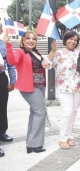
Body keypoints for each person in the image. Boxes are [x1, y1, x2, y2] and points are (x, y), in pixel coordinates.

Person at [5, 32, 48, 154]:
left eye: (34, 38)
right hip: (29, 87)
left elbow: (42, 65)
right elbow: (12, 61)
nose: (31, 40)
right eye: (28, 38)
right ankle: (34, 144)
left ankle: (31, 143)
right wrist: (8, 44)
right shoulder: (20, 51)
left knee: (35, 113)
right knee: (40, 112)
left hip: (40, 85)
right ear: (23, 40)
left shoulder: (37, 52)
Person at [44, 31, 80, 149]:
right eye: (70, 39)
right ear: (65, 40)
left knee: (74, 112)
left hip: (78, 88)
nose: (73, 41)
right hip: (63, 88)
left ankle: (69, 135)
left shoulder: (78, 53)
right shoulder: (59, 53)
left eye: (75, 40)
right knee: (67, 112)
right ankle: (62, 138)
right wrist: (53, 51)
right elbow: (46, 64)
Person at [0, 24, 16, 155]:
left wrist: (12, 81)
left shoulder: (3, 44)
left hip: (1, 78)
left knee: (2, 107)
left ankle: (2, 132)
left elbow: (10, 63)